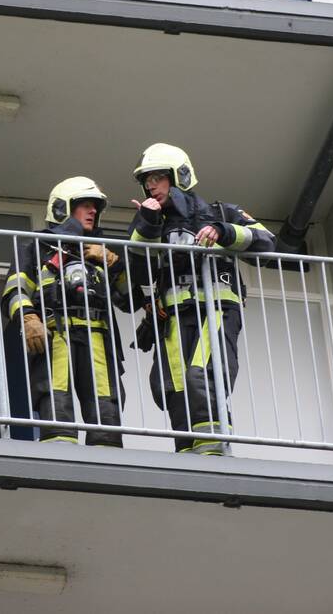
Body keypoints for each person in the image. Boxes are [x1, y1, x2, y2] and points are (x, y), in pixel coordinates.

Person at [128, 143, 274, 455]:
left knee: (201, 375)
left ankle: (215, 449)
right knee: (173, 386)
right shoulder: (148, 221)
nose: (150, 185)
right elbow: (137, 271)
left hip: (216, 310)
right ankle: (188, 455)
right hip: (172, 318)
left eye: (157, 177)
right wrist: (148, 225)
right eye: (147, 180)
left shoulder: (223, 213)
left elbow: (267, 244)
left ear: (178, 175)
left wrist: (223, 232)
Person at [2, 177, 129, 447]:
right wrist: (27, 316)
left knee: (105, 397)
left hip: (98, 335)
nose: (93, 211)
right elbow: (14, 289)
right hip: (54, 333)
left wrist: (113, 264)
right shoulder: (37, 247)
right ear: (62, 208)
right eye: (85, 205)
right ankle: (59, 443)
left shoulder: (101, 252)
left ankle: (107, 448)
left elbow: (130, 300)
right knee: (54, 389)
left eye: (95, 206)